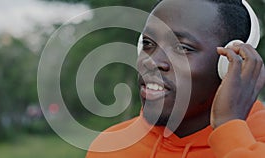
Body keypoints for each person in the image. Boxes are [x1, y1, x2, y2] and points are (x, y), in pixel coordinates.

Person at [86, 0, 265, 157]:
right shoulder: (110, 147)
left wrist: (230, 130)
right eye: (148, 44)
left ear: (228, 65)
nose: (151, 61)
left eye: (182, 48)